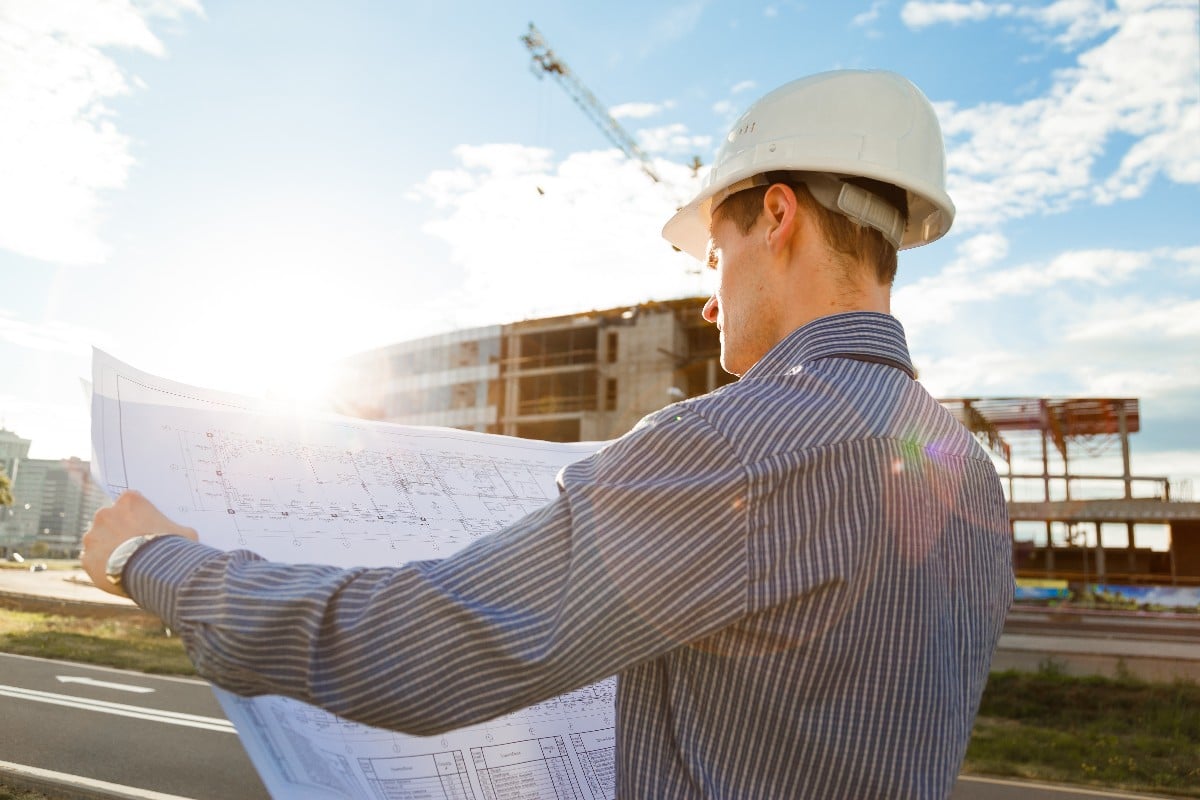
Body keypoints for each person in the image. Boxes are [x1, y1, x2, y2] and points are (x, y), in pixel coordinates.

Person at [83, 70, 1014, 799]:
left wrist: (153, 561)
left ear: (776, 216)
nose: (706, 294)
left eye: (714, 253)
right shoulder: (959, 466)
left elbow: (414, 651)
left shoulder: (739, 445)